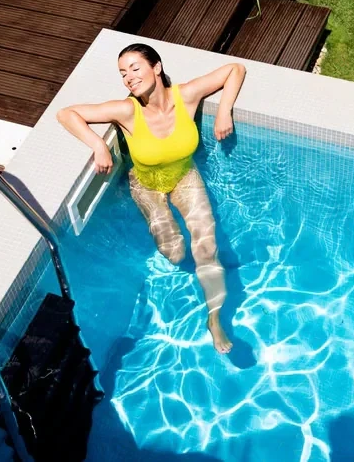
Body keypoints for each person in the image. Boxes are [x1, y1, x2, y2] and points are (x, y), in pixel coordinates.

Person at [57, 44, 246, 353]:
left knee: (207, 247)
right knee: (174, 252)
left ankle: (214, 319)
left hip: (184, 178)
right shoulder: (127, 110)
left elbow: (235, 69)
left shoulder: (186, 96)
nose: (129, 77)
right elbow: (66, 114)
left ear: (156, 67)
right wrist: (98, 145)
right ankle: (182, 256)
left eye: (134, 67)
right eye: (122, 73)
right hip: (146, 186)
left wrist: (224, 110)